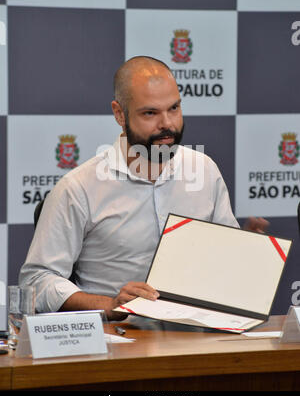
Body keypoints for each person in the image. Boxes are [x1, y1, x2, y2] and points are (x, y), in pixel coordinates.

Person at [19, 56, 268, 320]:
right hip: (117, 343)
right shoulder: (78, 188)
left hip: (196, 337)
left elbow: (223, 267)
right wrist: (110, 304)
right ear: (119, 113)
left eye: (174, 108)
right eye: (150, 113)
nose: (167, 124)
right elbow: (37, 280)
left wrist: (245, 252)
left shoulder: (205, 171)